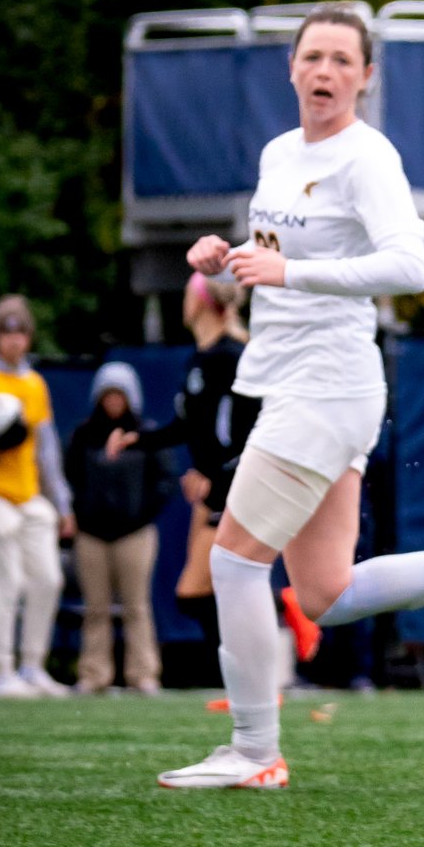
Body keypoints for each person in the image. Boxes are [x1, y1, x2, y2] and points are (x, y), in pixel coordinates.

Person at [157, 3, 424, 791]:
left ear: (365, 76)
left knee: (232, 562)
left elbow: (408, 266)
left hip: (326, 387)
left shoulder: (368, 157)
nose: (324, 71)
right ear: (290, 68)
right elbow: (281, 252)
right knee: (325, 592)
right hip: (295, 382)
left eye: (340, 60)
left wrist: (289, 273)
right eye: (312, 56)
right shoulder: (279, 152)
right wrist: (226, 256)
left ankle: (255, 753)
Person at [108, 274, 257, 664]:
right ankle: (243, 679)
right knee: (211, 592)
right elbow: (188, 426)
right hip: (209, 493)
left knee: (197, 592)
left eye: (190, 291)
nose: (184, 300)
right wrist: (135, 439)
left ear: (204, 301)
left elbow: (251, 432)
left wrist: (217, 476)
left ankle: (258, 664)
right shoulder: (200, 358)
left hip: (232, 492)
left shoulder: (231, 356)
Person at [0, 294, 74, 696]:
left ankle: (32, 666)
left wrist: (61, 503)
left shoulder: (34, 383)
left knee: (47, 579)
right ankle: (2, 671)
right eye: (6, 333)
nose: (15, 340)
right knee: (3, 583)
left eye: (21, 332)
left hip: (27, 495)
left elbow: (47, 449)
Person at [66, 361, 176, 694]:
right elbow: (70, 479)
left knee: (136, 606)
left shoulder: (145, 434)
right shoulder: (83, 436)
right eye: (108, 395)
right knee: (95, 608)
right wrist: (82, 514)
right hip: (91, 535)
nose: (114, 402)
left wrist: (140, 515)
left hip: (135, 534)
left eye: (120, 396)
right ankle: (93, 674)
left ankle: (143, 674)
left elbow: (164, 481)